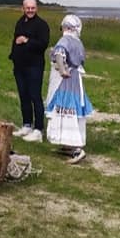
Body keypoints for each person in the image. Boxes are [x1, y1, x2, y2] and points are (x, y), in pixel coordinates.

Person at [44, 15, 94, 164]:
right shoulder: (78, 42)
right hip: (75, 80)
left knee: (66, 110)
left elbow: (60, 54)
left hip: (65, 81)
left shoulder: (65, 40)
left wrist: (62, 70)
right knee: (73, 111)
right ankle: (67, 144)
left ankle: (76, 148)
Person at [9, 0, 50, 143]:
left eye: (33, 8)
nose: (30, 10)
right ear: (23, 8)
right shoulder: (20, 22)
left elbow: (43, 44)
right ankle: (27, 125)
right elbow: (15, 41)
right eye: (28, 8)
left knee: (35, 96)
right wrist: (13, 57)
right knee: (23, 96)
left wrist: (26, 41)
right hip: (20, 66)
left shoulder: (42, 25)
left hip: (34, 66)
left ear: (36, 8)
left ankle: (39, 130)